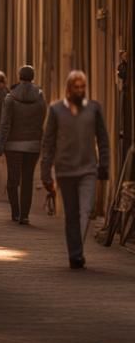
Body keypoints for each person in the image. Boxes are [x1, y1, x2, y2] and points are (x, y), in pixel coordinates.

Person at [41, 71, 111, 269]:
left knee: (85, 210)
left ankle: (77, 250)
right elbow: (48, 143)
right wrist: (46, 173)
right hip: (65, 170)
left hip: (88, 169)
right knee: (71, 214)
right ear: (69, 88)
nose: (80, 91)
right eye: (76, 87)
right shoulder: (56, 110)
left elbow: (103, 139)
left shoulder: (94, 109)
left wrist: (104, 165)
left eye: (83, 87)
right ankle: (75, 255)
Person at [0, 65, 46, 224]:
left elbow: (5, 124)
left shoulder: (10, 98)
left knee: (13, 180)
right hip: (33, 145)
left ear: (19, 76)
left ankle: (15, 212)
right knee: (27, 180)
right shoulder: (40, 97)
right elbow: (42, 119)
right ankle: (24, 215)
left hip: (13, 145)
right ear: (33, 77)